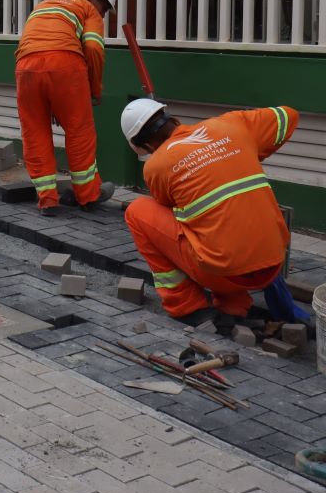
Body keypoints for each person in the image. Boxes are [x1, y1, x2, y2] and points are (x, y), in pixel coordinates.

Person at [120, 99, 297, 328]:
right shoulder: (232, 125)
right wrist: (250, 151)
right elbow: (289, 115)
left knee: (138, 212)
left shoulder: (156, 167)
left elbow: (169, 208)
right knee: (214, 217)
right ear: (171, 117)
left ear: (142, 145)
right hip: (273, 264)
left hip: (227, 275)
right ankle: (233, 305)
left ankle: (186, 307)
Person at [15, 0, 117, 216]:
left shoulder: (44, 5)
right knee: (79, 131)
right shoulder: (88, 9)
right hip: (65, 65)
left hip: (25, 67)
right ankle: (88, 196)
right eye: (104, 8)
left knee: (35, 131)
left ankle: (47, 199)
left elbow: (37, 47)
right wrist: (94, 90)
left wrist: (52, 103)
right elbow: (92, 48)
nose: (102, 15)